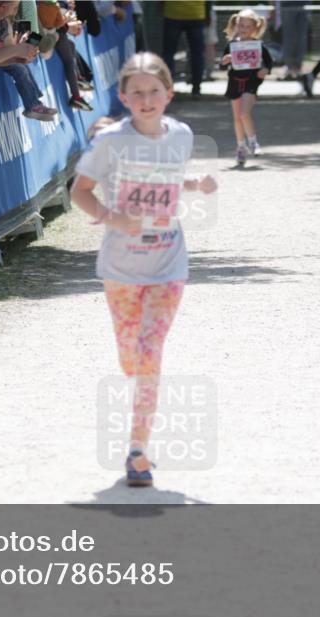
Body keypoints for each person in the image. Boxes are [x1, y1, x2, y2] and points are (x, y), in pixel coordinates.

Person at [70, 52, 217, 487]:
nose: (147, 99)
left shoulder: (182, 135)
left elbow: (167, 180)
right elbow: (79, 192)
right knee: (131, 358)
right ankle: (139, 395)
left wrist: (196, 185)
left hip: (169, 262)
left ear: (169, 94)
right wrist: (115, 219)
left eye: (155, 91)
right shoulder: (112, 141)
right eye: (138, 93)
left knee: (150, 355)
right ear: (123, 97)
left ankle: (138, 452)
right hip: (121, 267)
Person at [220, 8, 271, 166]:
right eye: (241, 26)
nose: (244, 30)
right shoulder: (232, 45)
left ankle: (254, 142)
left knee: (244, 113)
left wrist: (265, 70)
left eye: (248, 27)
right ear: (236, 26)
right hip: (235, 82)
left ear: (255, 28)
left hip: (251, 82)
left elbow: (268, 62)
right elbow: (222, 65)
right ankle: (240, 148)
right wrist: (225, 60)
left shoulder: (258, 45)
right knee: (237, 118)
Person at [161, 0, 205, 97]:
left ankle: (167, 88)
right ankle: (196, 89)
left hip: (172, 13)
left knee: (168, 53)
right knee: (197, 54)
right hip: (196, 13)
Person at [277, 0, 308, 80]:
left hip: (299, 4)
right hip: (294, 4)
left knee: (295, 37)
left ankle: (293, 67)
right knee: (293, 37)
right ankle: (293, 67)